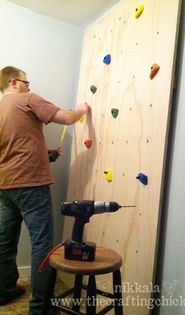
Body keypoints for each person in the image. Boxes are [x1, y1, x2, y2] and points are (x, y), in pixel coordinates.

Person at [0, 66, 91, 314]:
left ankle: (4, 290)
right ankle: (41, 308)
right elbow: (66, 118)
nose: (29, 86)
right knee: (42, 244)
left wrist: (46, 154)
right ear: (14, 82)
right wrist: (82, 111)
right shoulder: (28, 98)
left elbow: (12, 147)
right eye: (26, 82)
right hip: (30, 184)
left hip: (5, 186)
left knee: (4, 241)